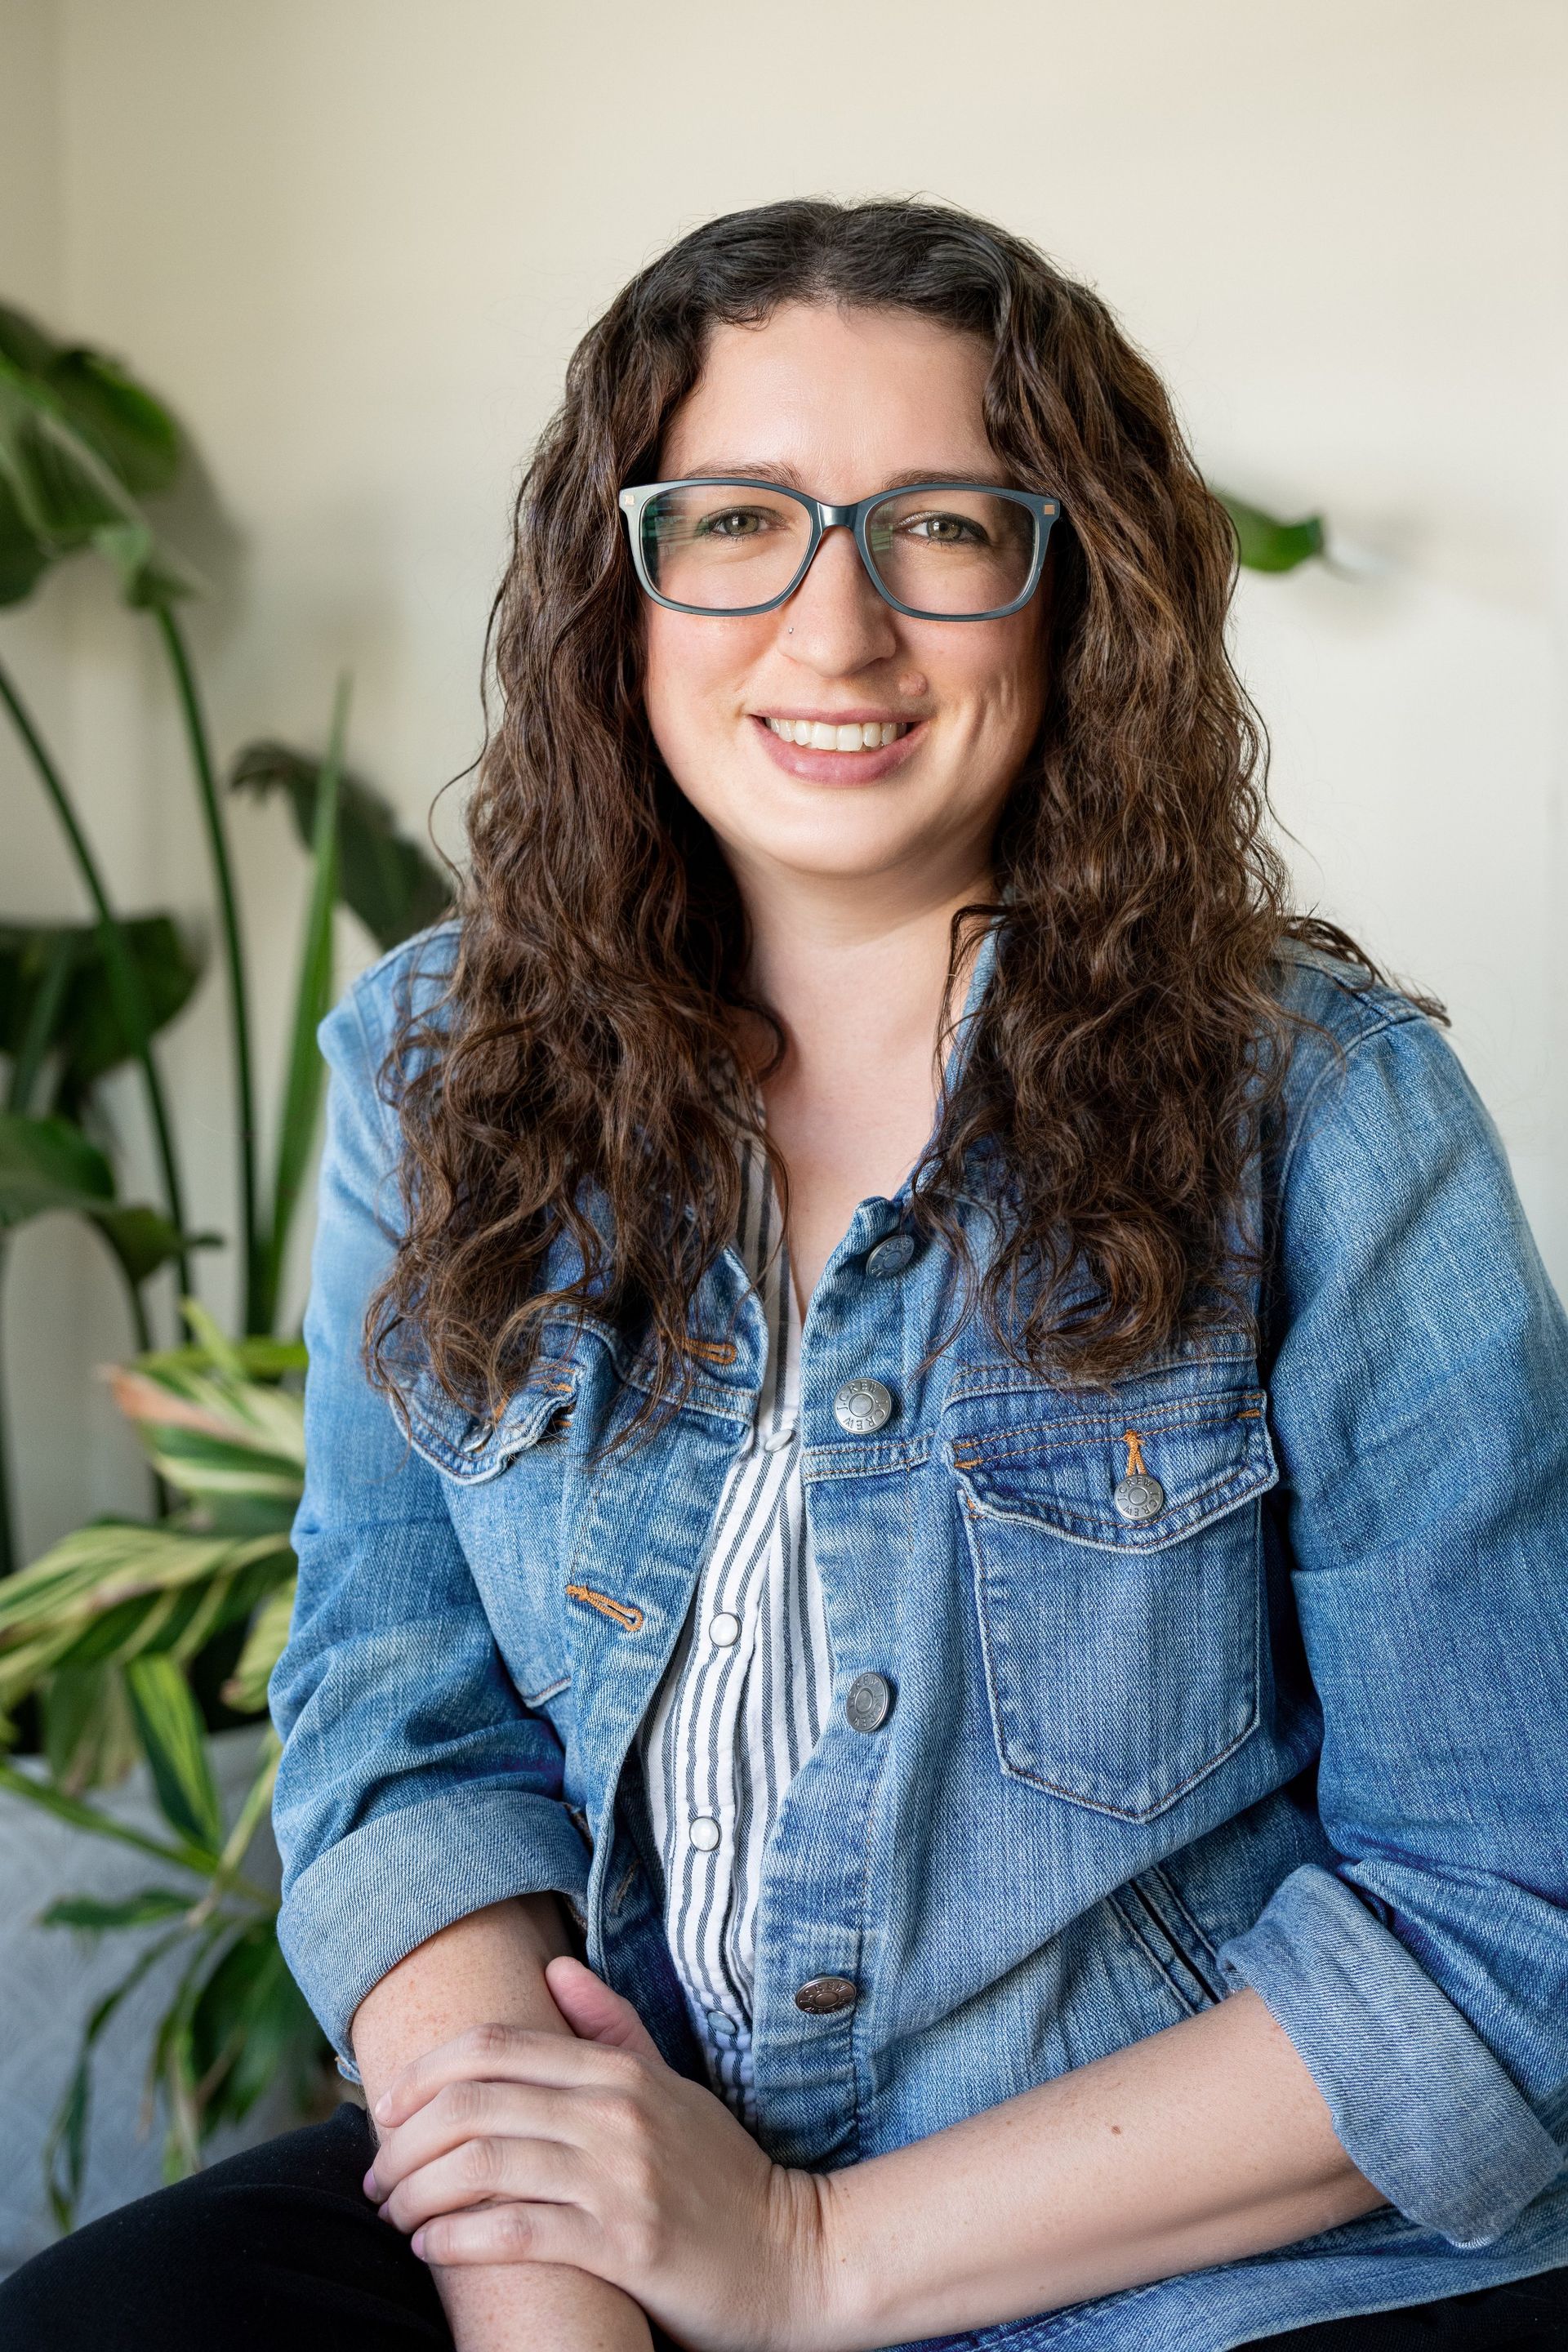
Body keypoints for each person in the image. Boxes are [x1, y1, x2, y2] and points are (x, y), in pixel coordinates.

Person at [3, 196, 1566, 2352]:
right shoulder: (431, 1071)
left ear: (1070, 588)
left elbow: (1509, 1925)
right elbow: (405, 1734)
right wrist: (562, 2293)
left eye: (941, 528)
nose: (834, 633)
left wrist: (813, 2265)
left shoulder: (1330, 1118)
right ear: (618, 588)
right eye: (738, 518)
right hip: (616, 2180)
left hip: (1190, 2253)